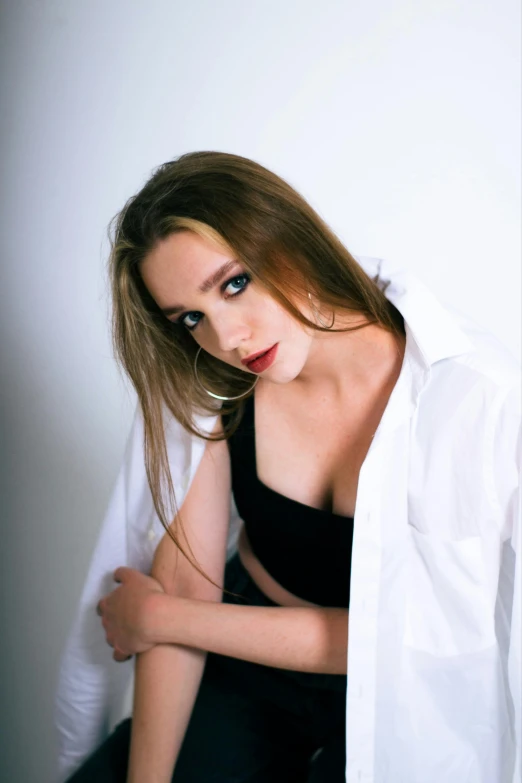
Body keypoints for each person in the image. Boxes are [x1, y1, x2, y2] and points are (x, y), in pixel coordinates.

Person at [55, 151, 521, 783]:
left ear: (286, 238)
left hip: (397, 695)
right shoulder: (217, 387)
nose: (228, 339)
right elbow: (187, 581)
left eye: (234, 283)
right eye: (192, 318)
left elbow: (394, 640)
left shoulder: (474, 399)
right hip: (237, 663)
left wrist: (162, 618)